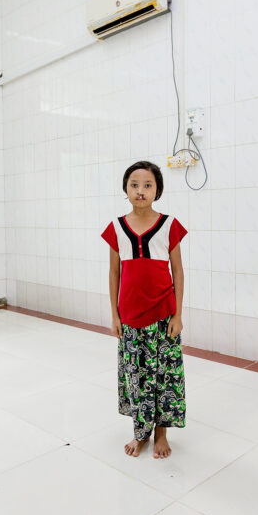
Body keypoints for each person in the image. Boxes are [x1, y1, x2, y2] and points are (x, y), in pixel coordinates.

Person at [101, 161, 187, 459]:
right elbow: (114, 273)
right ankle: (140, 433)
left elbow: (178, 270)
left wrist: (177, 314)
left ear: (157, 190)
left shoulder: (169, 225)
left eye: (148, 185)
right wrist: (114, 315)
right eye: (134, 184)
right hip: (130, 317)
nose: (141, 190)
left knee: (164, 375)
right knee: (136, 376)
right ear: (125, 189)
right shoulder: (116, 228)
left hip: (163, 316)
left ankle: (161, 433)